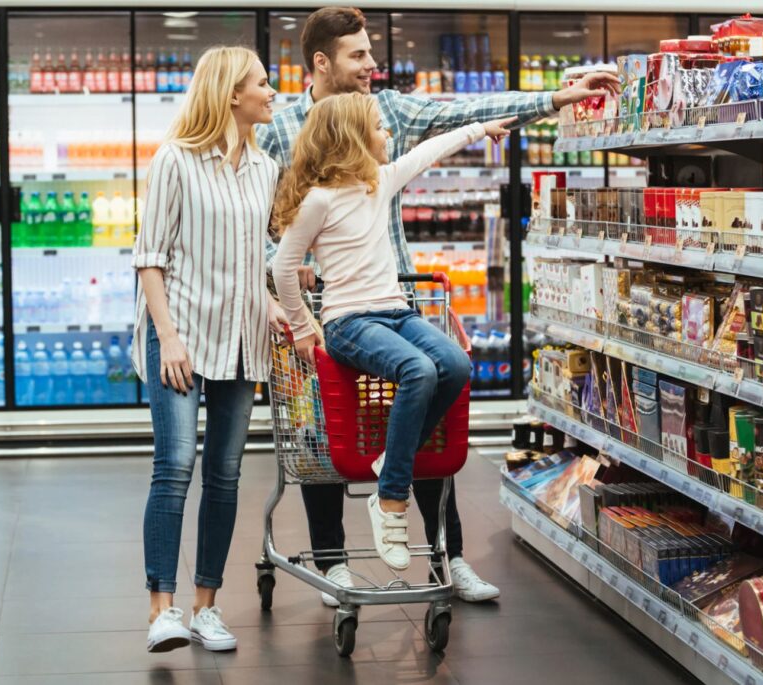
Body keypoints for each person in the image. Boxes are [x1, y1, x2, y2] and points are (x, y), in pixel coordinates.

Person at [258, 6, 619, 602]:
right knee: (321, 438)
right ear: (321, 63)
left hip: (397, 292)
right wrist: (287, 290)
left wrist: (556, 99)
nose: (372, 66)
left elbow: (463, 114)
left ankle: (447, 557)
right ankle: (333, 563)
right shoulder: (282, 127)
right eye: (358, 57)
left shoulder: (390, 111)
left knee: (428, 413)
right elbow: (265, 217)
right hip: (330, 308)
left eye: (371, 54)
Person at [272, 93, 512, 570]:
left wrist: (480, 130)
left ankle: (389, 460)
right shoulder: (318, 200)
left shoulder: (378, 183)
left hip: (397, 312)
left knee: (457, 364)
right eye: (379, 128)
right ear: (352, 139)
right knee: (419, 371)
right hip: (348, 321)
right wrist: (303, 325)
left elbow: (430, 151)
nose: (388, 136)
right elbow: (283, 268)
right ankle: (391, 498)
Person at [131, 45, 287, 654]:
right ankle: (162, 610)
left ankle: (207, 607)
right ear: (230, 94)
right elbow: (150, 256)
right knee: (174, 466)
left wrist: (270, 300)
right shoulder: (175, 159)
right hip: (181, 334)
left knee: (224, 475)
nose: (272, 93)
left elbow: (256, 255)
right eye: (262, 83)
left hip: (243, 338)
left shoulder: (266, 167)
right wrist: (167, 336)